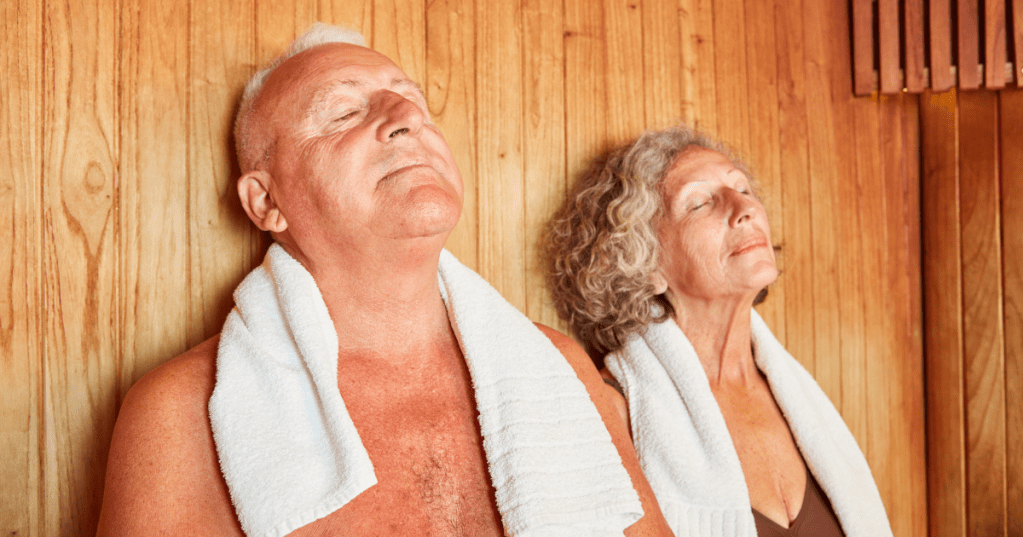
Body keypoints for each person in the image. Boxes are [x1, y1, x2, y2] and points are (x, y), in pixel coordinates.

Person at [96, 24, 671, 536]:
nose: (407, 118)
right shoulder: (180, 414)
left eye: (413, 102)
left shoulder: (559, 367)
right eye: (344, 113)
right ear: (267, 201)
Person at [545, 125, 893, 536]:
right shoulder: (617, 411)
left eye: (742, 188)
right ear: (646, 265)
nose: (742, 207)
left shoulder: (800, 402)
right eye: (699, 203)